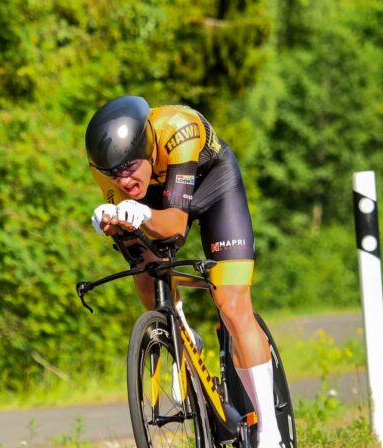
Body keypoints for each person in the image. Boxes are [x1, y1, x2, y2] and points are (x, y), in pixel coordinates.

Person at [85, 96, 282, 447]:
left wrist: (143, 214)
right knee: (146, 272)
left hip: (213, 187)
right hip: (158, 196)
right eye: (113, 173)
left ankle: (271, 432)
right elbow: (131, 233)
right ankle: (182, 332)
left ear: (147, 148)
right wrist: (111, 221)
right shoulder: (108, 167)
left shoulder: (178, 129)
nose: (123, 179)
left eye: (129, 167)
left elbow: (175, 228)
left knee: (232, 304)